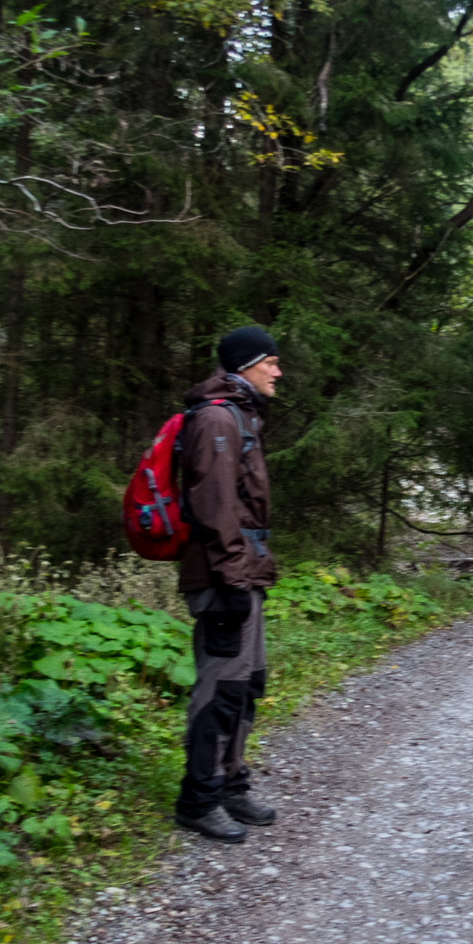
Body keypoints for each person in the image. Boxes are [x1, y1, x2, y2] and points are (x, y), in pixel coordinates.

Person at [174, 326, 283, 843]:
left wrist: (249, 576)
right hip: (224, 579)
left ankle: (231, 784)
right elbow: (215, 510)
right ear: (247, 364)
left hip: (243, 574)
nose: (278, 371)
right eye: (271, 362)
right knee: (219, 688)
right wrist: (236, 581)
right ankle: (199, 799)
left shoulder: (240, 415)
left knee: (245, 684)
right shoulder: (217, 418)